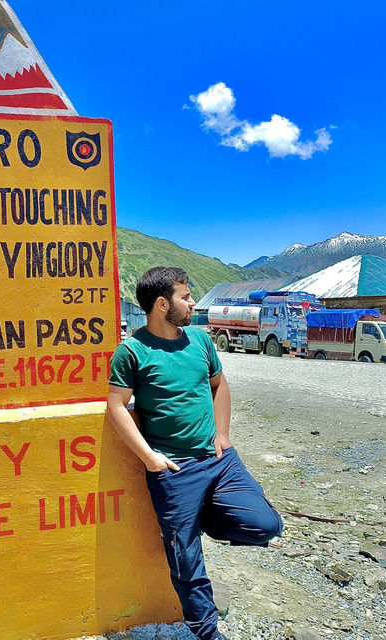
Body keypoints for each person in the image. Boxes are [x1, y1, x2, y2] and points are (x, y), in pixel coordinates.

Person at [107, 266, 283, 640]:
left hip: (218, 461)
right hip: (174, 468)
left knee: (268, 525)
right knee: (185, 558)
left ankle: (193, 519)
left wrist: (223, 434)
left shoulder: (200, 342)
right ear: (160, 304)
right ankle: (206, 631)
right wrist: (151, 459)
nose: (191, 303)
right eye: (185, 297)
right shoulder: (132, 350)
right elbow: (117, 407)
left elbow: (219, 384)